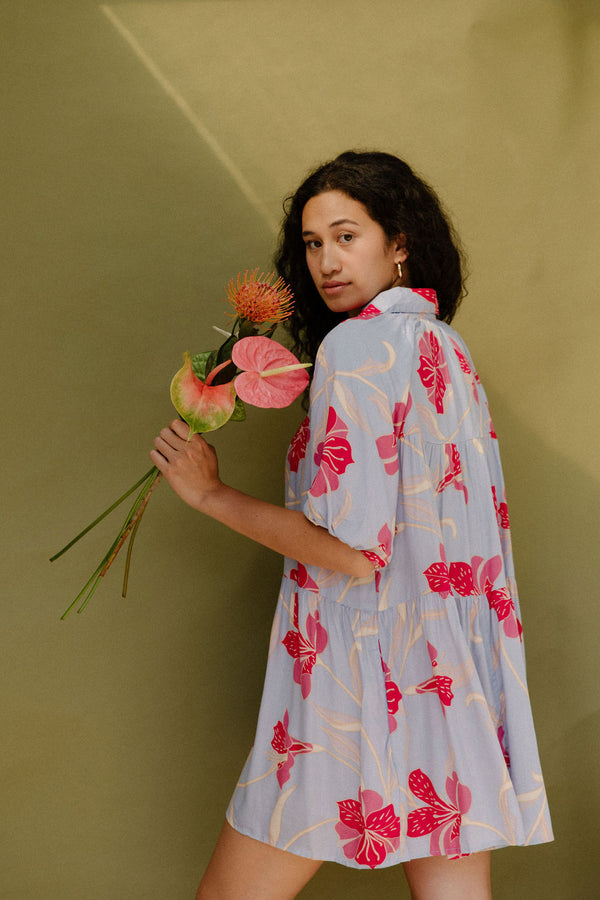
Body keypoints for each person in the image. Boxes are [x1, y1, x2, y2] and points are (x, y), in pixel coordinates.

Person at [150, 151, 553, 900]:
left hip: (353, 680)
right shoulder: (446, 349)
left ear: (398, 241)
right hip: (448, 682)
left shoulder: (359, 348)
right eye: (312, 243)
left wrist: (211, 496)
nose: (327, 261)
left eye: (346, 235)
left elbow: (354, 555)